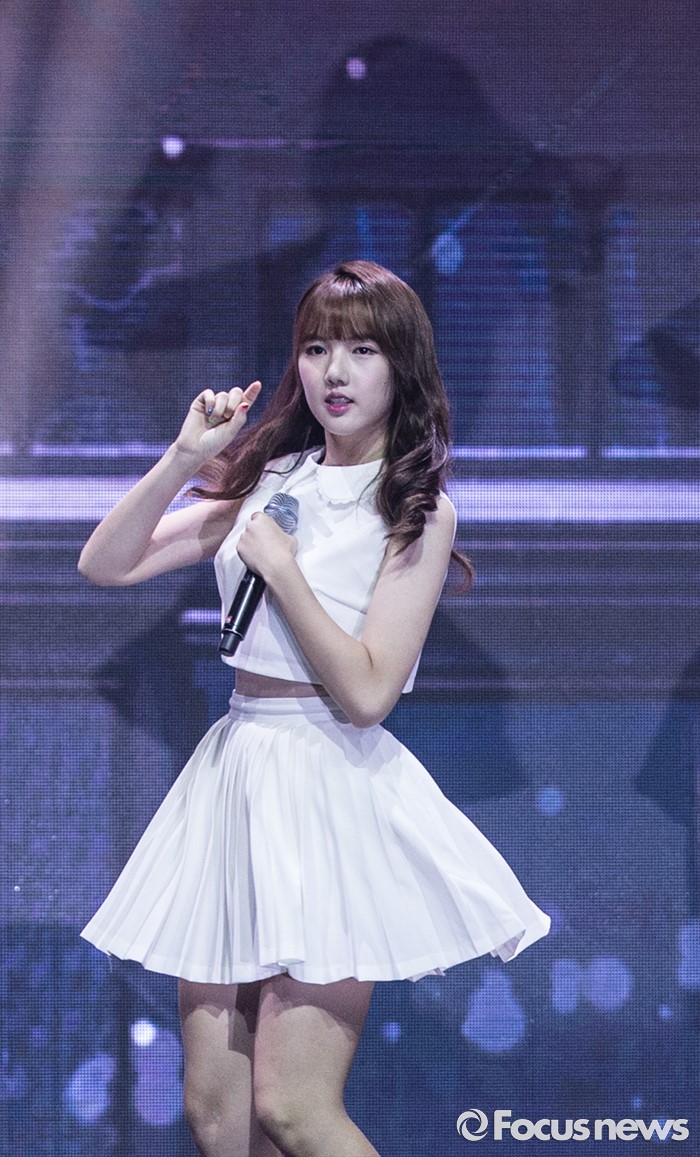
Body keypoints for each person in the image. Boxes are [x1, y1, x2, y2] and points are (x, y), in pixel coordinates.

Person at [78, 260, 551, 1157]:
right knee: (218, 1117)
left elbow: (369, 692)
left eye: (362, 350)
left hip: (327, 784)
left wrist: (285, 573)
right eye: (317, 348)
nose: (335, 371)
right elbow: (107, 562)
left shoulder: (416, 509)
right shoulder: (273, 476)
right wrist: (184, 458)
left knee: (294, 1108)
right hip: (234, 776)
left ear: (402, 368)